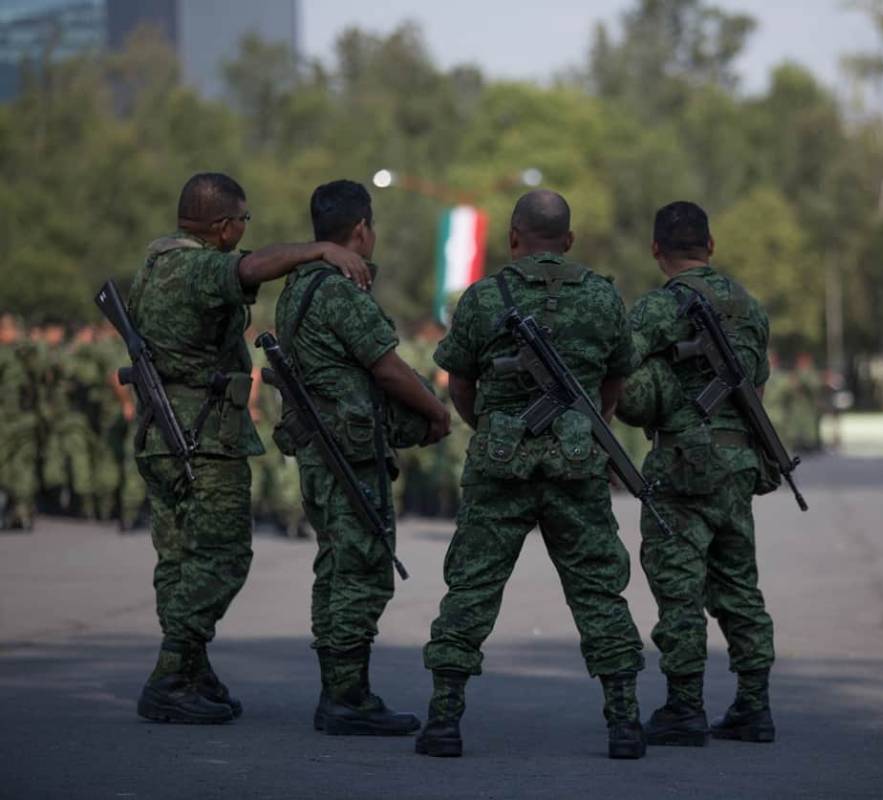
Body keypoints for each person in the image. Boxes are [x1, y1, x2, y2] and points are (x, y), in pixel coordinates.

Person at [129, 172, 373, 725]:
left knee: (179, 557)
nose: (245, 230)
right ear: (221, 226)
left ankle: (193, 669)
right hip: (200, 437)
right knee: (222, 557)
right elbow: (253, 265)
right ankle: (171, 673)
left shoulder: (155, 260)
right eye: (243, 220)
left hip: (162, 433)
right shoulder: (196, 266)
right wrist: (320, 248)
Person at [416, 190, 647, 760]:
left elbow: (460, 386)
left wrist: (496, 428)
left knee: (471, 587)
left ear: (514, 238)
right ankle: (625, 724)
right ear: (568, 240)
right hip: (577, 467)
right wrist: (583, 425)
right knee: (598, 589)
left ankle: (444, 720)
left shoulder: (482, 297)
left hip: (500, 467)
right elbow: (614, 385)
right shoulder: (602, 297)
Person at [273, 179, 451, 735]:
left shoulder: (298, 287)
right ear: (360, 230)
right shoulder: (336, 289)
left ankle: (340, 691)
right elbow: (387, 366)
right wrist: (437, 412)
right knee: (362, 572)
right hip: (347, 455)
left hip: (322, 449)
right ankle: (346, 698)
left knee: (336, 568)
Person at [617, 201, 777, 747]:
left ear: (656, 250)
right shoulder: (750, 308)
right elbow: (756, 385)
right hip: (737, 463)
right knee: (738, 585)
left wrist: (656, 390)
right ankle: (754, 706)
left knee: (679, 589)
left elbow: (621, 370)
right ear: (710, 247)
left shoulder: (657, 308)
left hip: (680, 462)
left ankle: (684, 707)